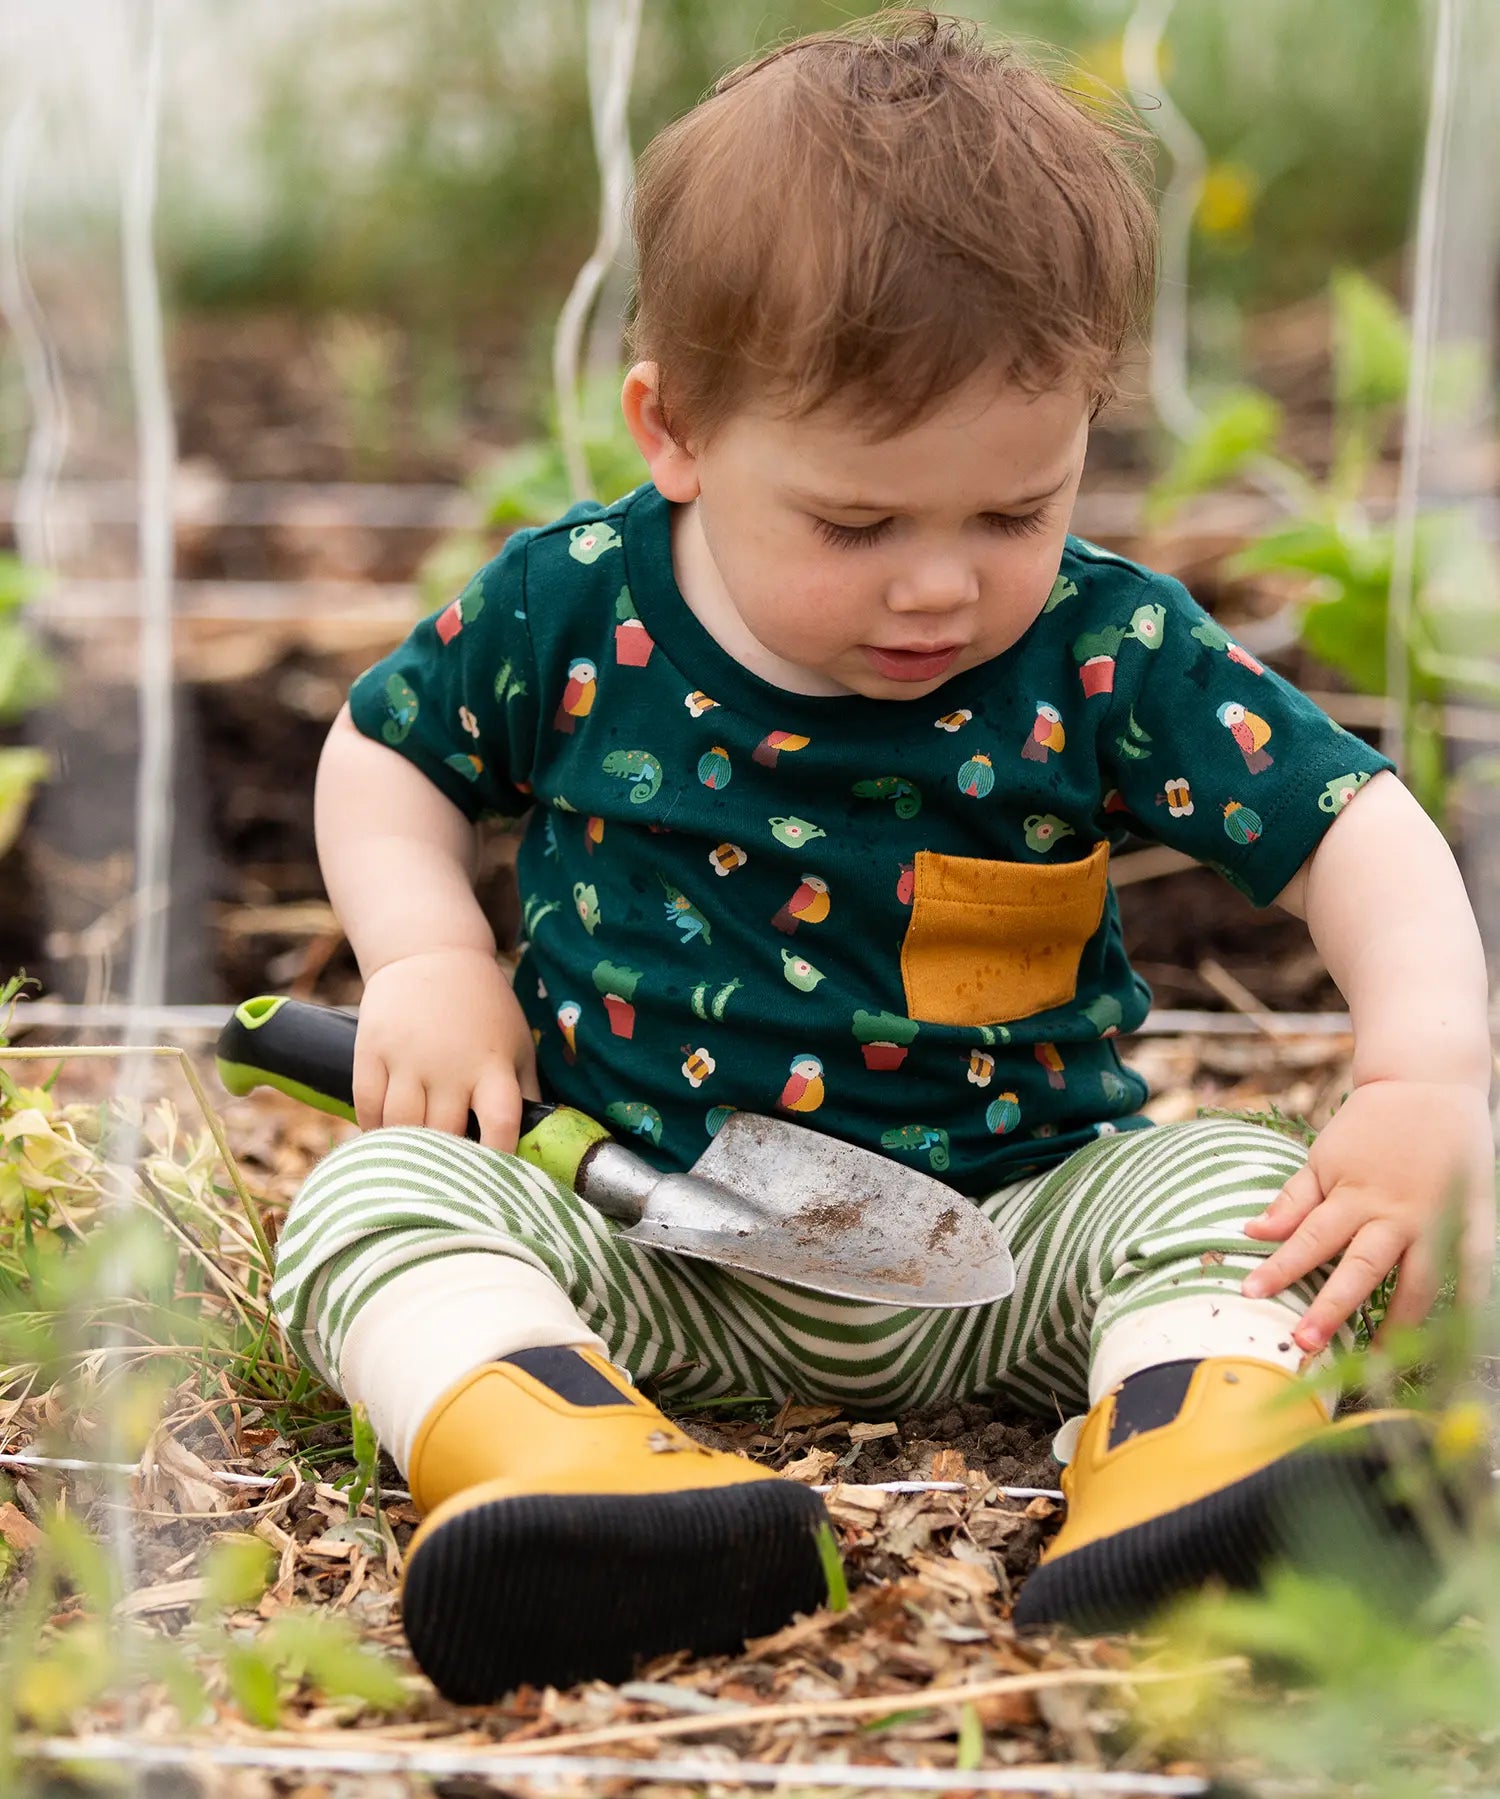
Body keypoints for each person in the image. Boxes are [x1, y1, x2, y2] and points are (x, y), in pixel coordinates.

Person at [270, 11, 1493, 1705]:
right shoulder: (572, 609)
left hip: (1016, 1233)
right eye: (859, 526)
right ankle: (562, 1467)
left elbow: (1354, 822)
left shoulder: (1101, 652)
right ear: (676, 427)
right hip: (652, 1229)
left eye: (1014, 512)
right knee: (375, 1198)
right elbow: (388, 755)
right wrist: (429, 961)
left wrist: (1426, 1069)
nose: (942, 588)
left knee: (1229, 1185)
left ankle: (1195, 1465)